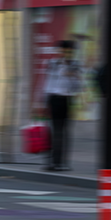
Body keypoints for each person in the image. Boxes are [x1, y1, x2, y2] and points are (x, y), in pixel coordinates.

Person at [42, 40, 84, 171]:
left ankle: (61, 162)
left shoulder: (76, 66)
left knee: (64, 132)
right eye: (62, 51)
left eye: (68, 51)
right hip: (53, 98)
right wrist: (42, 102)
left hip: (67, 99)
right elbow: (46, 83)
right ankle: (51, 162)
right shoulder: (53, 64)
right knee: (52, 131)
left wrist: (73, 76)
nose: (65, 54)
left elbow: (78, 88)